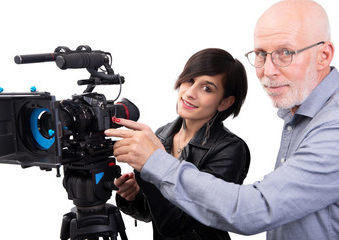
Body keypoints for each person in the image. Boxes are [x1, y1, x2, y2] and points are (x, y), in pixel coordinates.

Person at [105, 0, 339, 239]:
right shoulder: (299, 116)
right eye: (260, 54)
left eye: (285, 53)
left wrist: (153, 162)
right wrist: (134, 193)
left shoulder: (333, 127)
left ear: (324, 55)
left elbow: (251, 210)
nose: (268, 70)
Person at [113, 48, 250, 240]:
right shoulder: (161, 135)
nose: (190, 93)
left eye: (207, 88)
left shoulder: (230, 150)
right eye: (190, 80)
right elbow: (154, 213)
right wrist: (133, 196)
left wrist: (150, 163)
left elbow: (176, 224)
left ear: (225, 102)